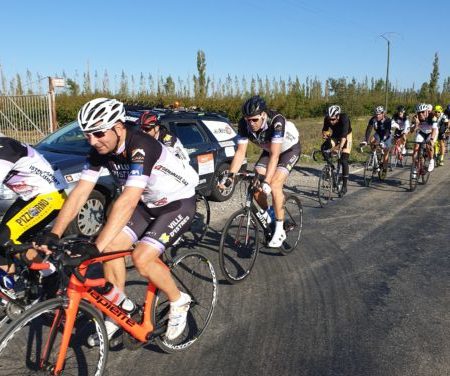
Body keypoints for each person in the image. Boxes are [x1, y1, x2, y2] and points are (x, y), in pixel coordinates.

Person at [38, 98, 199, 341]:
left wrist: (94, 247)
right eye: (87, 135)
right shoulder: (99, 150)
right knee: (112, 248)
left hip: (176, 203)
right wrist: (54, 233)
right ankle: (118, 310)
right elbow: (81, 191)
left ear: (118, 127)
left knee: (141, 258)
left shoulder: (141, 146)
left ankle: (179, 300)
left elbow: (128, 200)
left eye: (98, 133)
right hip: (147, 204)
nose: (92, 141)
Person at [218, 95, 300, 248]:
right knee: (255, 184)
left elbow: (276, 155)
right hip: (269, 150)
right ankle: (271, 214)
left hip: (288, 150)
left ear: (263, 115)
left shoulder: (276, 121)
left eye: (254, 120)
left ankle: (280, 229)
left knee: (274, 185)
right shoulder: (244, 124)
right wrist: (230, 176)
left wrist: (268, 181)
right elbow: (241, 152)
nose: (251, 123)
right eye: (248, 120)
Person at [0, 136, 67, 299]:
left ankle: (51, 273)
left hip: (50, 196)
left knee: (4, 237)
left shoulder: (5, 149)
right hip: (29, 197)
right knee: (4, 241)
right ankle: (8, 289)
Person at [321, 105, 352, 194]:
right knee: (324, 147)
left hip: (346, 136)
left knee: (343, 160)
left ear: (338, 116)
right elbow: (325, 130)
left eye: (333, 119)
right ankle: (331, 167)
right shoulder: (327, 119)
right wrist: (325, 135)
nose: (331, 121)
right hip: (335, 135)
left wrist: (340, 148)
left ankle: (345, 186)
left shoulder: (344, 118)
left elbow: (344, 135)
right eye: (329, 119)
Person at [361, 106, 398, 174]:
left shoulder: (387, 120)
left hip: (386, 135)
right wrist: (366, 140)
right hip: (378, 133)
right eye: (376, 114)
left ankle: (384, 169)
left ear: (383, 113)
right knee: (371, 141)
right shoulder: (373, 119)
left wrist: (383, 141)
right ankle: (374, 157)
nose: (377, 116)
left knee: (385, 151)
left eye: (379, 114)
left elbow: (387, 132)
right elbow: (368, 130)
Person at [411, 103, 438, 172]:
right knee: (415, 149)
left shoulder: (432, 116)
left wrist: (431, 139)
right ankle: (415, 166)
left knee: (429, 145)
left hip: (431, 132)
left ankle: (431, 160)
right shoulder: (416, 117)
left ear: (427, 111)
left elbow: (434, 130)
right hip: (422, 132)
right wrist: (416, 124)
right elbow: (411, 131)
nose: (421, 114)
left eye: (423, 112)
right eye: (419, 112)